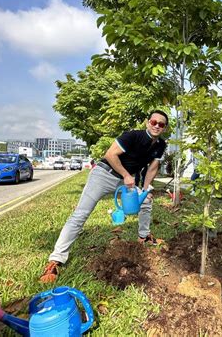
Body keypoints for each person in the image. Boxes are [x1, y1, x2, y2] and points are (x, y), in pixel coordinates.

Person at [40, 110, 169, 283]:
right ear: (148, 122)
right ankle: (55, 260)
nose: (156, 126)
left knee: (145, 201)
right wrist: (125, 174)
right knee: (81, 214)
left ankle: (144, 237)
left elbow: (153, 167)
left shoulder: (160, 145)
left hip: (126, 182)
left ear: (164, 128)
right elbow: (110, 154)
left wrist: (146, 189)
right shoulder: (132, 136)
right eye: (154, 122)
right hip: (104, 174)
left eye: (161, 124)